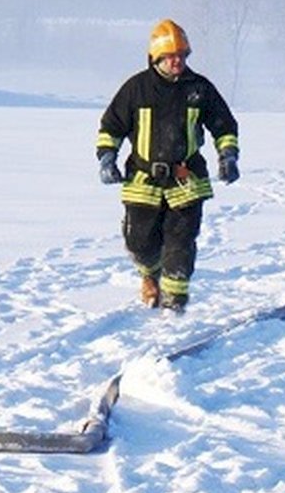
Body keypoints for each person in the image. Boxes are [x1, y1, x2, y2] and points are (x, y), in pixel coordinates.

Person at [96, 19, 240, 312]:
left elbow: (224, 125)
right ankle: (149, 275)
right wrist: (107, 157)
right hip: (143, 180)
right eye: (171, 56)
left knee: (180, 245)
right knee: (140, 244)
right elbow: (111, 126)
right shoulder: (136, 89)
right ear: (156, 57)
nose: (178, 61)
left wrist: (228, 156)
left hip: (186, 182)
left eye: (182, 55)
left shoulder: (199, 89)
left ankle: (174, 308)